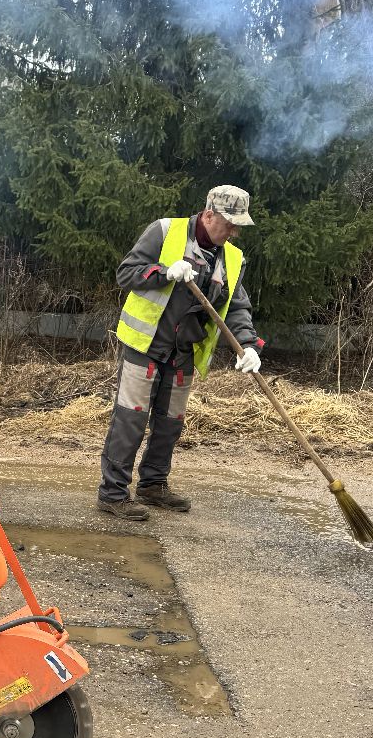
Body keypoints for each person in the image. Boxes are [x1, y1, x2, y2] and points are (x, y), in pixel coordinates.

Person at [97, 185, 265, 520]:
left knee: (171, 422)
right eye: (229, 223)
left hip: (183, 351)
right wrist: (164, 272)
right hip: (145, 345)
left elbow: (237, 307)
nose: (233, 232)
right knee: (131, 419)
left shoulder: (232, 258)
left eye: (237, 227)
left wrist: (248, 345)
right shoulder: (164, 231)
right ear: (208, 214)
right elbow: (126, 273)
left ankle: (153, 485)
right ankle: (113, 495)